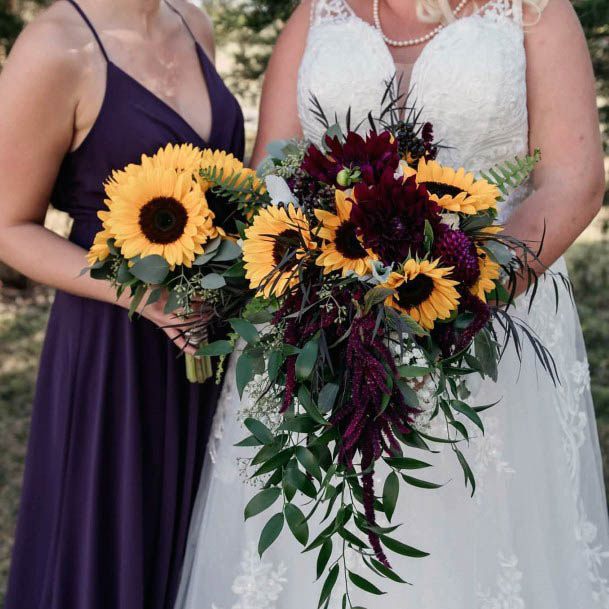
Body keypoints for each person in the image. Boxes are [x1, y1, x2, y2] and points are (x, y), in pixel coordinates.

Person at [175, 0, 609, 607]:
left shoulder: (534, 11)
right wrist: (319, 295)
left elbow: (573, 178)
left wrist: (454, 299)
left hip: (492, 330)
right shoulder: (316, 13)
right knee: (316, 544)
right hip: (323, 337)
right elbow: (271, 170)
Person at [0, 1, 244, 607]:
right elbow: (8, 225)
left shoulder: (192, 21)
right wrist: (144, 296)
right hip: (111, 351)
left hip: (205, 341)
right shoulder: (56, 47)